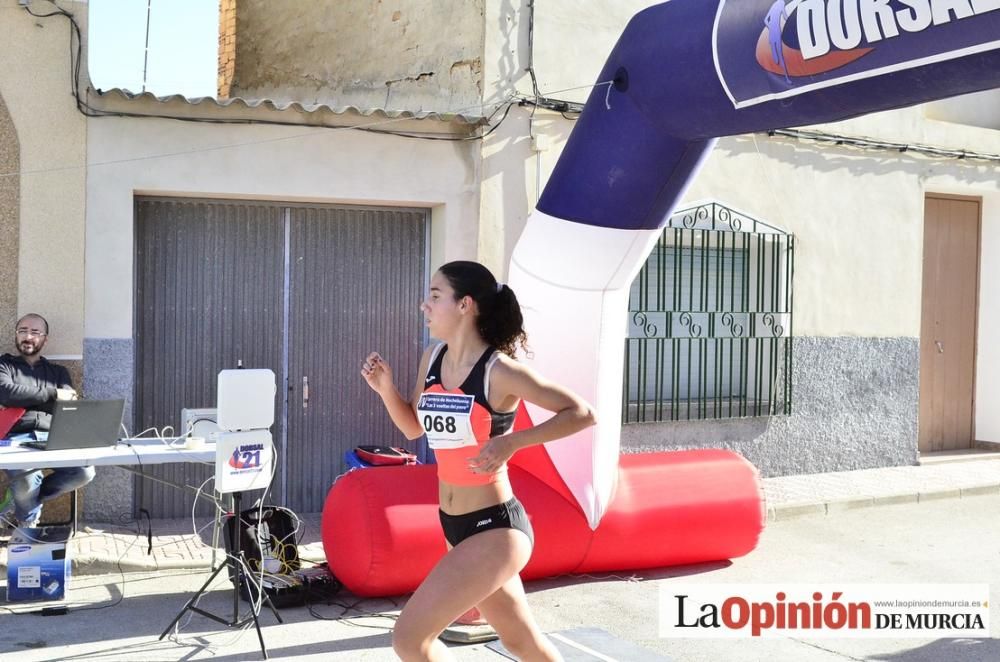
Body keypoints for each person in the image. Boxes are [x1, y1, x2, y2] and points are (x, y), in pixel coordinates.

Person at [362, 261, 596, 662]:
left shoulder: (499, 371)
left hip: (496, 529)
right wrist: (385, 389)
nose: (425, 305)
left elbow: (581, 412)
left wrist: (513, 443)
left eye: (435, 296)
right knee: (524, 643)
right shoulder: (432, 359)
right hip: (455, 526)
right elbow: (415, 428)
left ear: (465, 305)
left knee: (409, 639)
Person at [0, 313, 95, 528]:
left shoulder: (59, 372)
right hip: (17, 437)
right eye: (23, 331)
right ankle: (28, 526)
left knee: (84, 472)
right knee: (25, 477)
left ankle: (16, 501)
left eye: (35, 332)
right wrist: (52, 395)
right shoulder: (4, 365)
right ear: (16, 335)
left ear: (45, 339)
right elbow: (6, 393)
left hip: (53, 436)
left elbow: (68, 404)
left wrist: (23, 398)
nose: (28, 337)